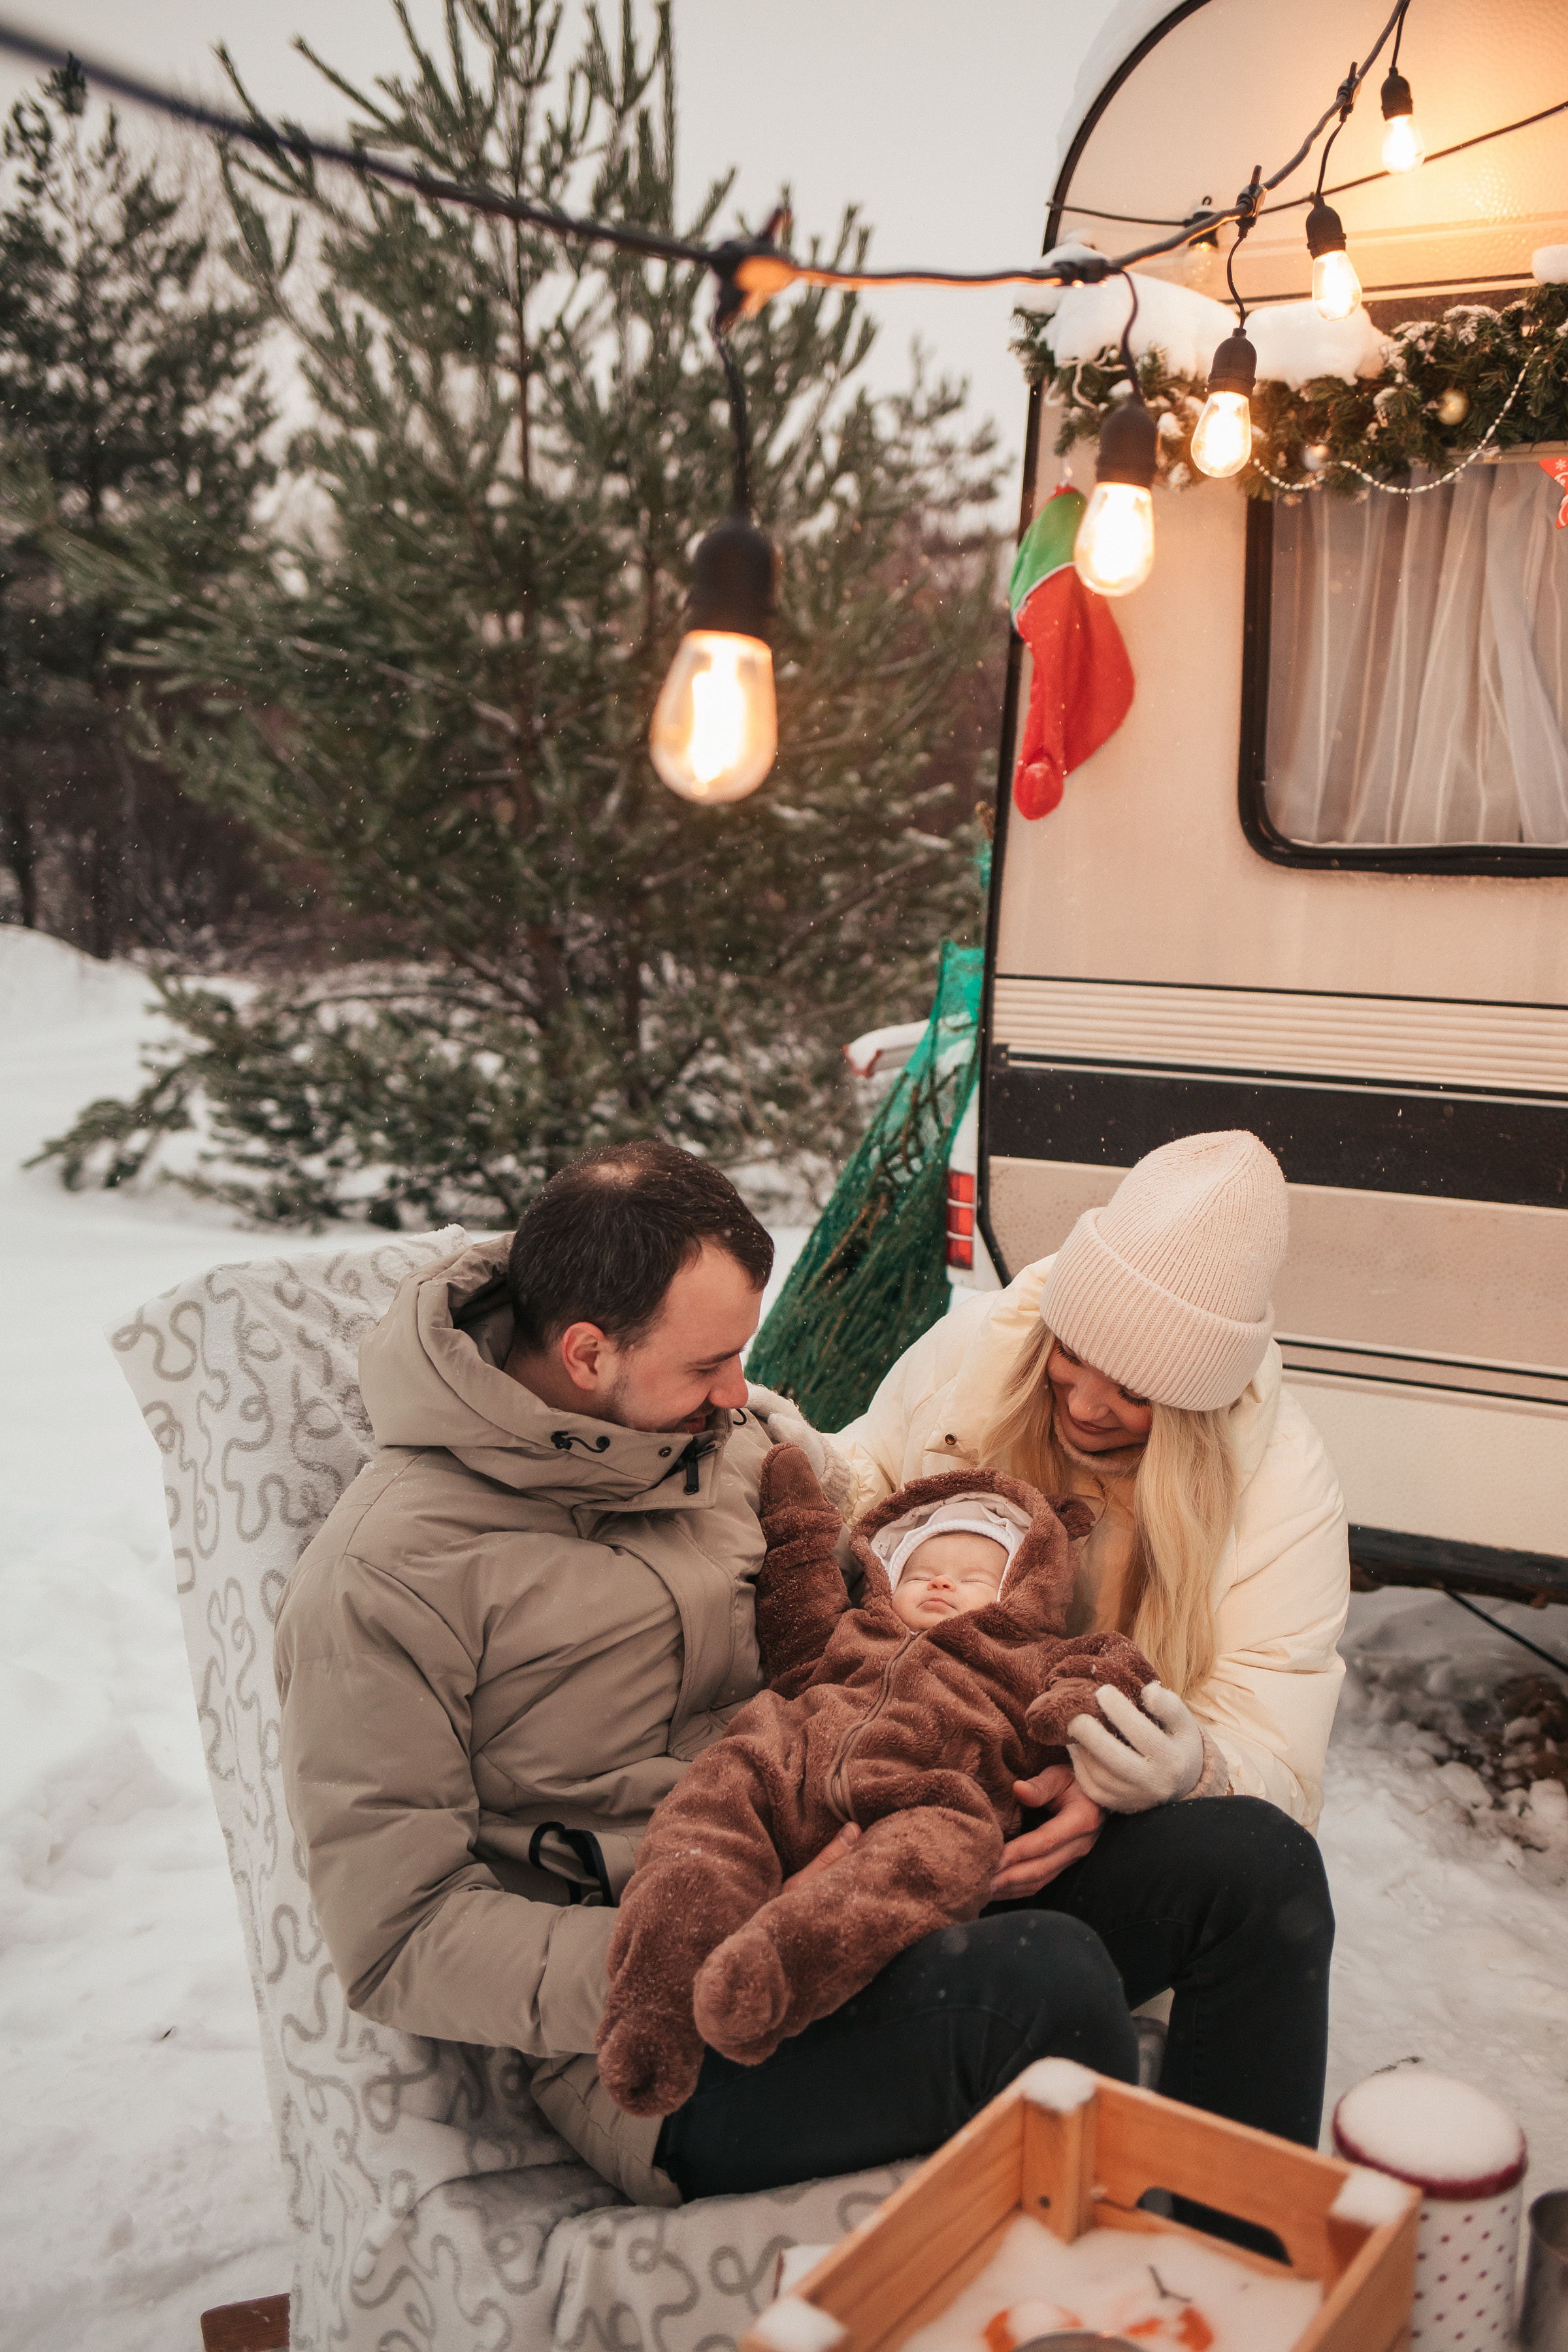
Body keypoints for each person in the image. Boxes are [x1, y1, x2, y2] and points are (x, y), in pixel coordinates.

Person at [274, 1139, 1138, 2216]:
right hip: (672, 2042)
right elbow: (399, 1938)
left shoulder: (709, 1439)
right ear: (587, 1354)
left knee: (1237, 1862)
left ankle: (1260, 2251)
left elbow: (866, 1624)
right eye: (707, 1365)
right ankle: (1131, 2299)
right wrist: (688, 1952)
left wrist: (1067, 1746)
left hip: (853, 1857)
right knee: (1037, 1988)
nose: (742, 1392)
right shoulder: (384, 1580)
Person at [760, 1128, 1348, 2160]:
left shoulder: (1283, 1487)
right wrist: (811, 1469)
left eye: (1135, 1391)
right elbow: (869, 1478)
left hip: (1053, 1834)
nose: (1083, 1404)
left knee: (1268, 1866)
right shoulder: (983, 1347)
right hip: (885, 1780)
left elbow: (1276, 1741)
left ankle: (1234, 2225)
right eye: (1070, 1360)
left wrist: (1181, 1769)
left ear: (1203, 1399)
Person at [596, 1451, 1161, 2119]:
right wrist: (798, 1518)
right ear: (887, 1573)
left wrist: (1078, 1704)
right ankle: (654, 2005)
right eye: (922, 1573)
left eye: (973, 1578)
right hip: (786, 1758)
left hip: (927, 1789)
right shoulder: (848, 1634)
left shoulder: (1025, 1658)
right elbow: (795, 1591)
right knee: (705, 1821)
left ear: (1023, 1590)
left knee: (949, 1846)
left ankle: (779, 1966)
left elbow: (1114, 1664)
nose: (943, 1586)